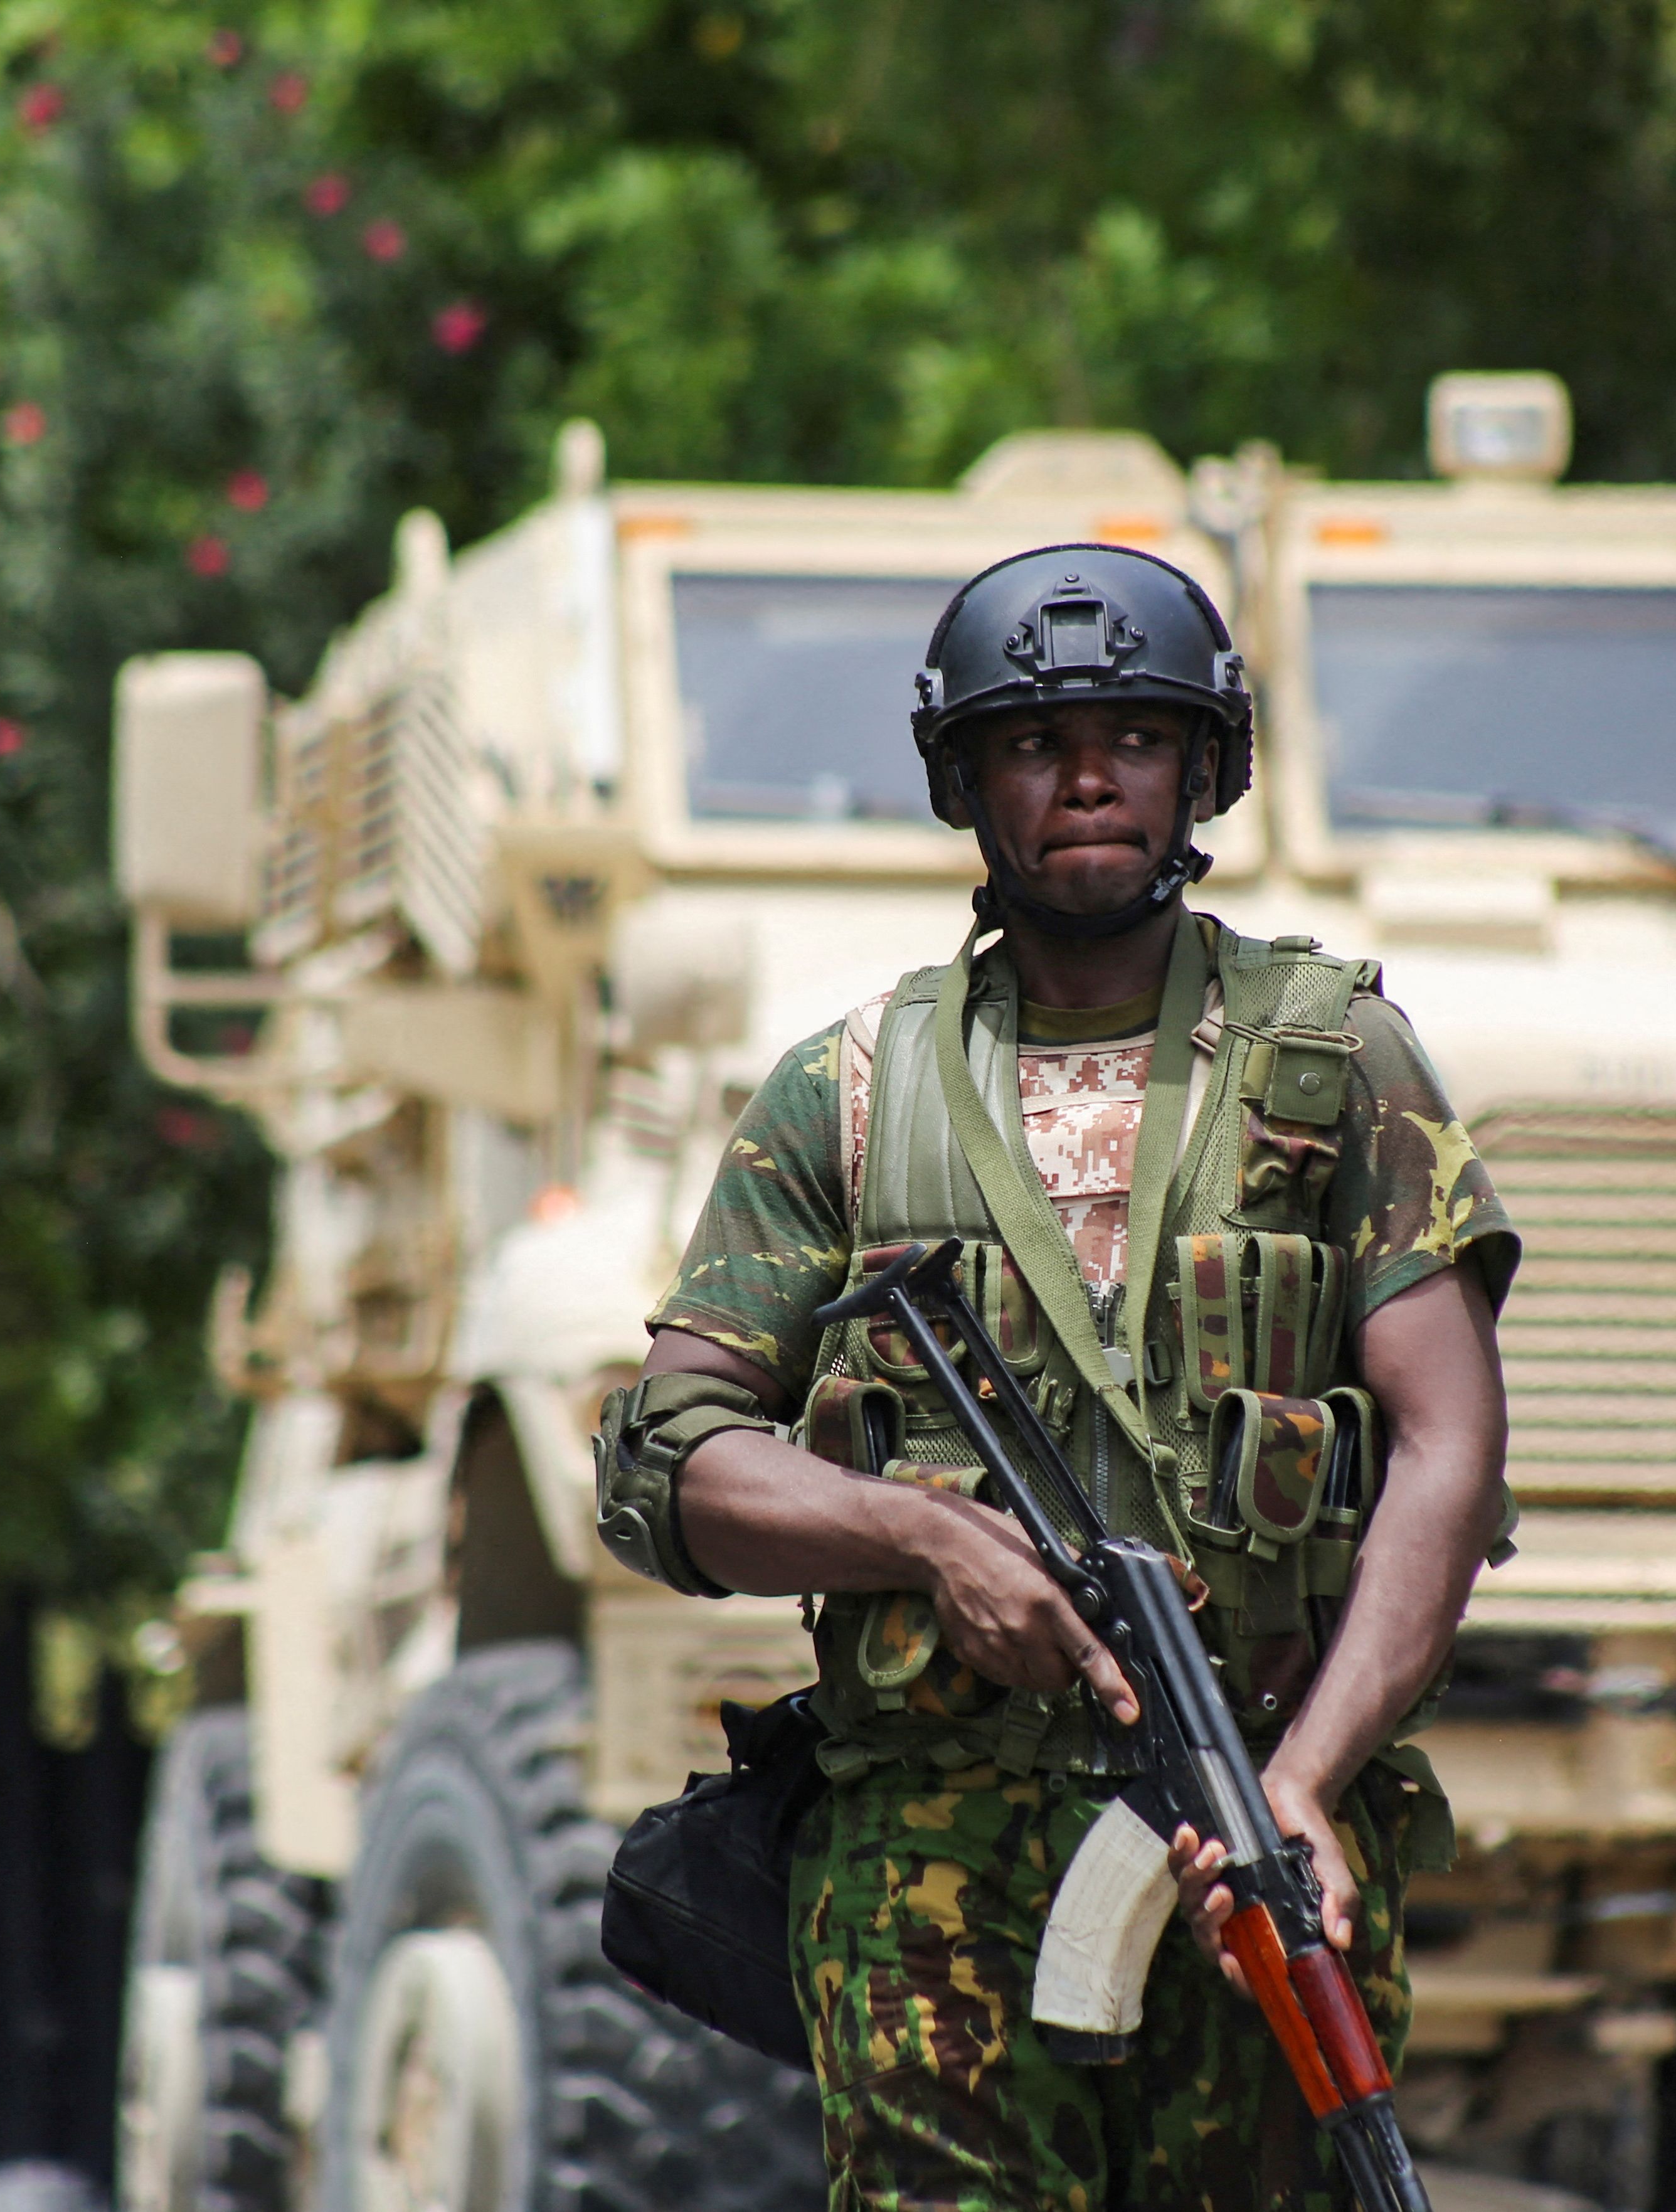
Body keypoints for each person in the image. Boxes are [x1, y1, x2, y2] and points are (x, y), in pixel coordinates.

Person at [595, 543, 1516, 2210]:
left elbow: (1450, 1453)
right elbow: (673, 1460)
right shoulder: (850, 1092)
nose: (1088, 776)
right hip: (932, 1848)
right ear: (967, 782)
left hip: (1254, 1813)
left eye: (1135, 738)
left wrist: (1305, 1778)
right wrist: (924, 1542)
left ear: (1200, 773)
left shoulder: (1331, 1057)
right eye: (1034, 743)